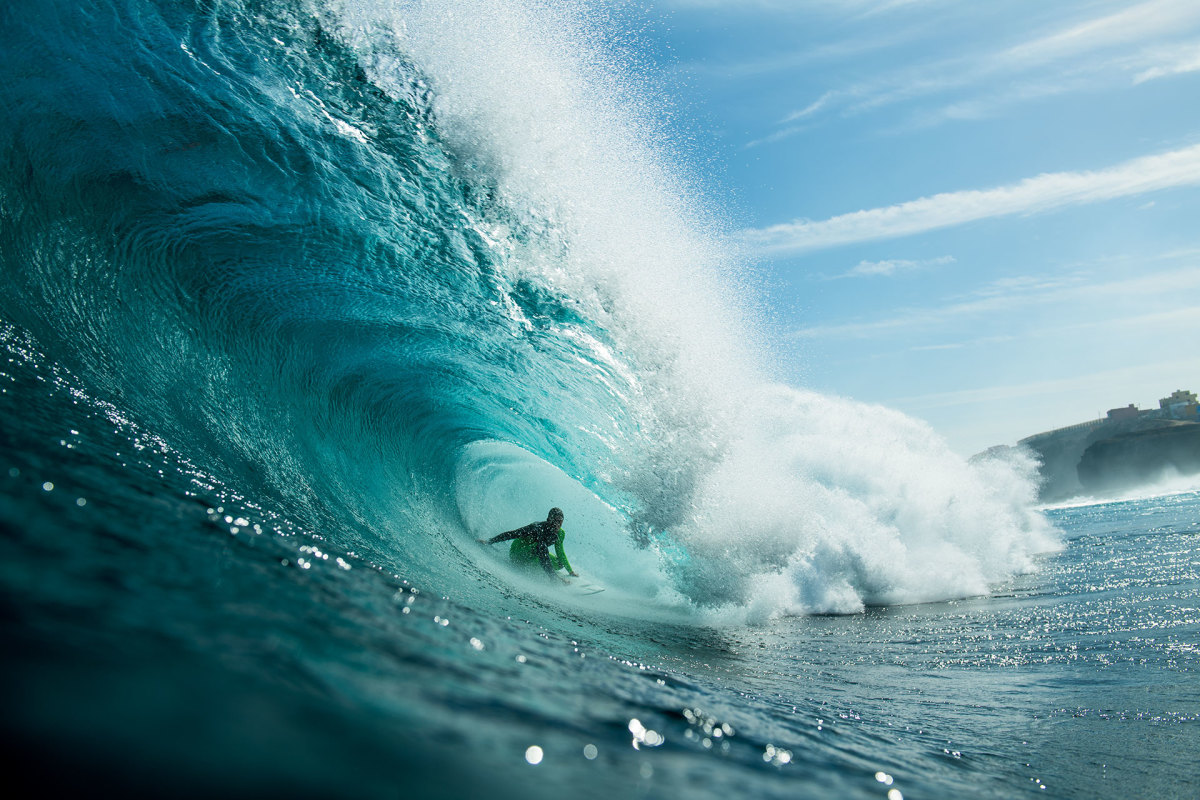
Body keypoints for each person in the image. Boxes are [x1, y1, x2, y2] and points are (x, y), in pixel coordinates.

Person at [479, 507, 579, 582]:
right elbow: (512, 534)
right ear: (548, 519)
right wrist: (489, 541)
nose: (557, 524)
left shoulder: (560, 533)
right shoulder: (537, 527)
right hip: (518, 554)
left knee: (560, 563)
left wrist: (570, 571)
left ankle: (543, 568)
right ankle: (553, 578)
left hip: (533, 556)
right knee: (541, 546)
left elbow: (560, 551)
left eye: (560, 521)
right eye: (554, 520)